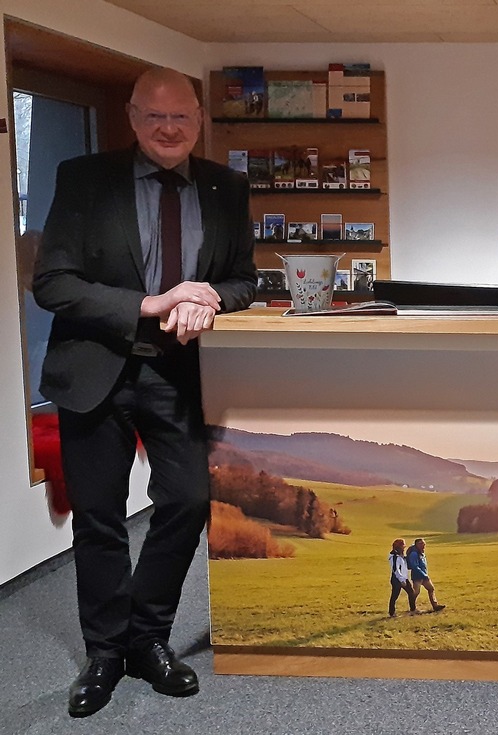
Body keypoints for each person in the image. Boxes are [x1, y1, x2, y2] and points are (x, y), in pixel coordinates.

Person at [33, 67, 257, 717]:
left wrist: (209, 297)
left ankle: (148, 638)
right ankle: (105, 651)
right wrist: (155, 300)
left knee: (187, 498)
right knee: (99, 518)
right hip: (94, 368)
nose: (168, 129)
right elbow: (53, 282)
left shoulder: (226, 186)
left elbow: (244, 278)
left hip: (176, 372)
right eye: (154, 117)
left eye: (181, 117)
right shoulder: (83, 178)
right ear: (132, 119)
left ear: (199, 120)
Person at [406, 538, 446, 612]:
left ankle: (435, 606)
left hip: (424, 575)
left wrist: (424, 574)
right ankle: (413, 608)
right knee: (416, 592)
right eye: (421, 543)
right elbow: (414, 566)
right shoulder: (414, 553)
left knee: (431, 589)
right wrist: (424, 575)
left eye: (424, 543)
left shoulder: (421, 552)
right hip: (417, 576)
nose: (423, 545)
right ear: (416, 544)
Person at [388, 539, 417, 617]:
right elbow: (395, 569)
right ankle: (392, 612)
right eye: (403, 545)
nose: (404, 547)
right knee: (395, 595)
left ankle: (413, 609)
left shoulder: (401, 555)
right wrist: (401, 580)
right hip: (397, 579)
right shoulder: (394, 556)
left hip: (404, 578)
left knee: (411, 592)